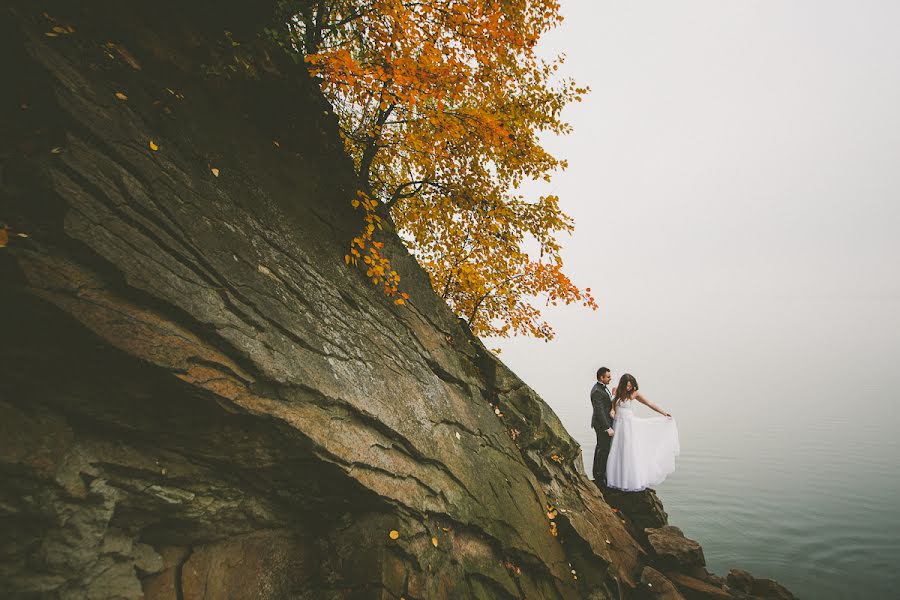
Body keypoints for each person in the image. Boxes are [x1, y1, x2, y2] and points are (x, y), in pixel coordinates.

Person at [606, 373, 679, 491]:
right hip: (618, 424)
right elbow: (613, 406)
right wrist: (612, 411)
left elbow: (649, 403)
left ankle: (629, 480)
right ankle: (617, 479)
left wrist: (663, 413)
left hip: (628, 424)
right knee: (617, 450)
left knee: (628, 450)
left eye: (631, 385)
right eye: (627, 385)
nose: (629, 388)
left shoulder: (635, 393)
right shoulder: (617, 391)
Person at [589, 367, 615, 485]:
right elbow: (599, 411)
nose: (610, 378)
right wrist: (607, 427)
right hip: (601, 425)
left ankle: (601, 474)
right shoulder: (596, 391)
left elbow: (606, 405)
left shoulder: (602, 389)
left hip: (605, 423)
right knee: (602, 450)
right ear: (601, 377)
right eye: (608, 377)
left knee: (603, 449)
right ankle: (599, 476)